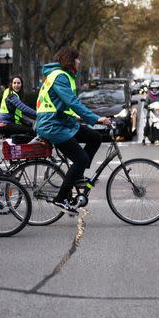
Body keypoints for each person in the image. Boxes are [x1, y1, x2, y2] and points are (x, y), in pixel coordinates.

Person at [36, 46, 112, 215]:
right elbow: (72, 102)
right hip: (52, 126)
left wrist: (80, 118)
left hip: (62, 121)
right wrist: (96, 118)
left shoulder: (62, 75)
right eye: (77, 59)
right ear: (70, 60)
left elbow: (62, 104)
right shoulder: (59, 77)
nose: (79, 61)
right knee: (81, 159)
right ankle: (61, 198)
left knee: (95, 137)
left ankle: (77, 178)